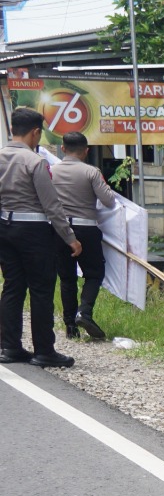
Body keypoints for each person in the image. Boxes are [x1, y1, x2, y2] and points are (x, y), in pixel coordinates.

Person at [0, 106, 80, 367]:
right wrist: (70, 238)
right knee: (41, 290)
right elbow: (52, 205)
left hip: (4, 229)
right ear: (35, 133)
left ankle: (10, 347)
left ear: (13, 129)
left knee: (12, 286)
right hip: (34, 233)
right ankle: (44, 350)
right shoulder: (36, 162)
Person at [50, 132, 118, 340]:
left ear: (63, 148)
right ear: (86, 151)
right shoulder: (91, 172)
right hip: (86, 229)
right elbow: (109, 201)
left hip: (59, 230)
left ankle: (70, 326)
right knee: (94, 273)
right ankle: (84, 312)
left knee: (67, 278)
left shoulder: (51, 171)